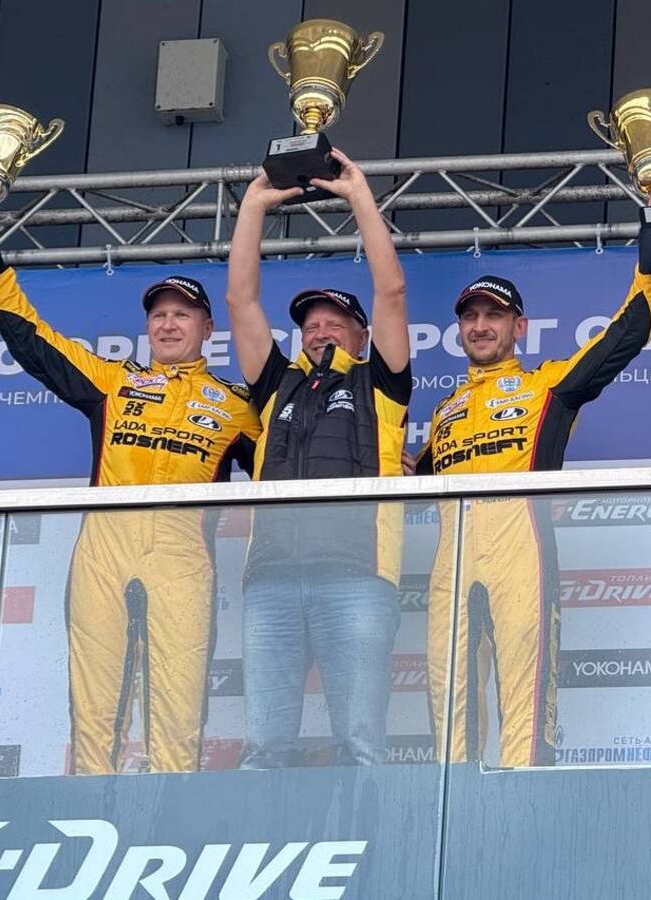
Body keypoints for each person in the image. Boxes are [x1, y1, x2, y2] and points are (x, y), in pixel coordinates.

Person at [0, 192, 260, 775]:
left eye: (182, 314)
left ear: (207, 328)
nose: (168, 323)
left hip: (183, 557)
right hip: (102, 552)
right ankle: (88, 810)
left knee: (178, 709)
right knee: (95, 708)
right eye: (159, 315)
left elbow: (295, 461)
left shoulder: (235, 407)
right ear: (147, 327)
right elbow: (30, 338)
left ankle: (173, 808)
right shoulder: (113, 382)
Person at [411, 180, 651, 767]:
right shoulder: (443, 411)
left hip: (523, 550)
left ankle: (523, 803)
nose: (481, 326)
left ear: (520, 328)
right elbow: (413, 478)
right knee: (448, 707)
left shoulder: (548, 386)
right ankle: (454, 804)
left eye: (495, 315)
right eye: (471, 317)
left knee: (526, 705)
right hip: (450, 561)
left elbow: (628, 332)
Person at [225, 149, 412, 768]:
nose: (321, 331)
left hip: (357, 576)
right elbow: (241, 303)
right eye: (311, 325)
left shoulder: (380, 383)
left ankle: (371, 835)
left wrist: (358, 196)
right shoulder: (276, 384)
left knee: (359, 743)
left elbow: (391, 290)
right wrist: (253, 207)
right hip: (271, 580)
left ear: (362, 336)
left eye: (336, 323)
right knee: (264, 748)